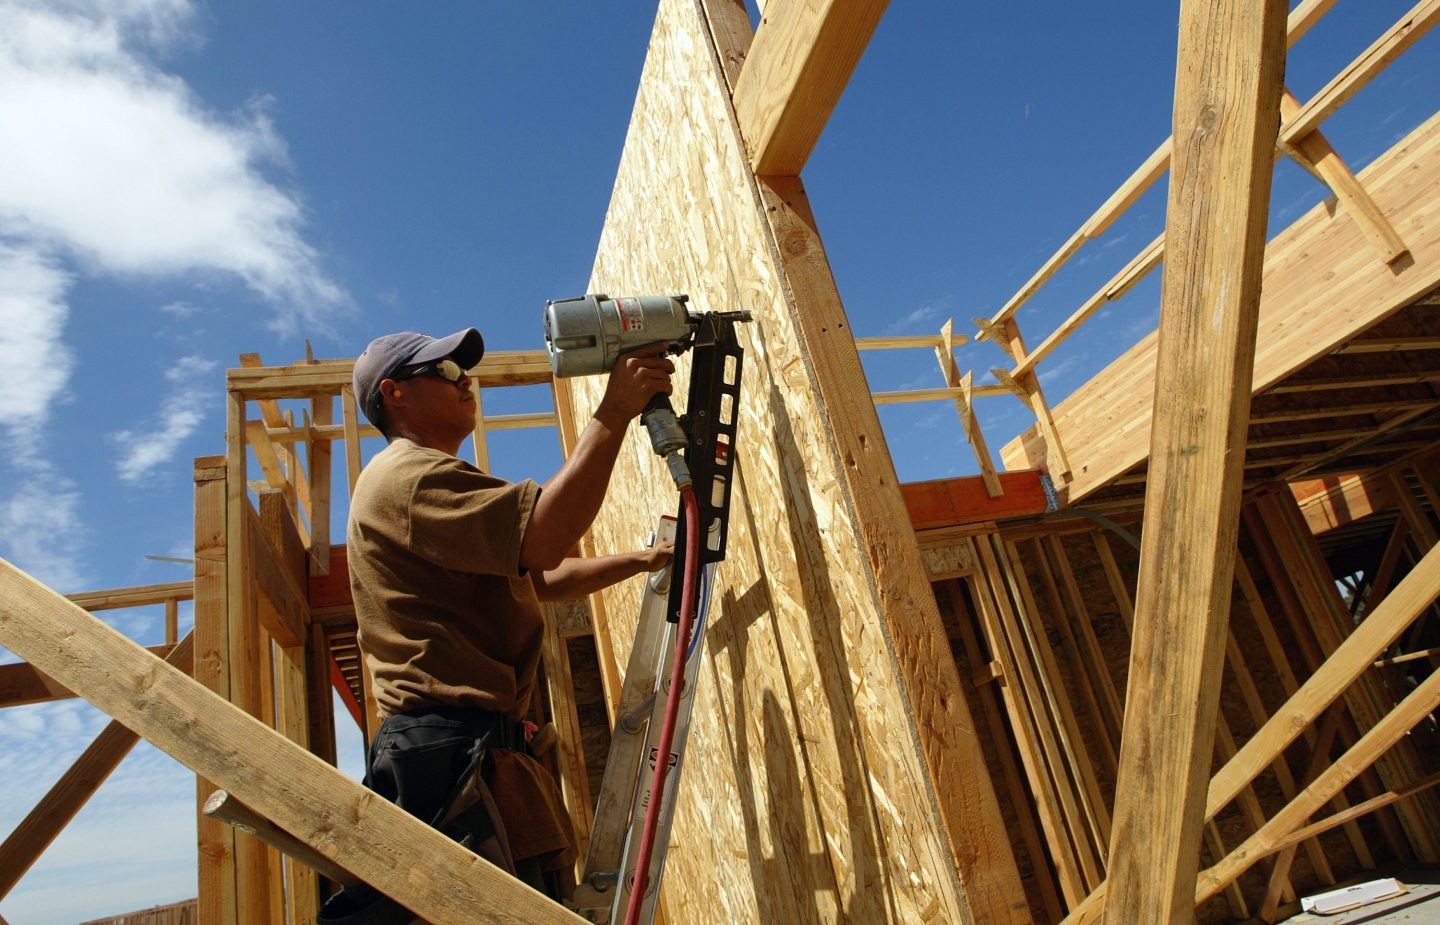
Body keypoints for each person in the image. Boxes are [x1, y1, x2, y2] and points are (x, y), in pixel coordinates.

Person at [318, 326, 674, 923]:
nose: (467, 381)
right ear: (395, 393)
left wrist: (642, 561)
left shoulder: (426, 485)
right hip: (448, 754)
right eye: (447, 372)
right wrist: (614, 412)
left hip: (472, 749)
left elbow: (537, 578)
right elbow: (545, 536)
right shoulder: (409, 478)